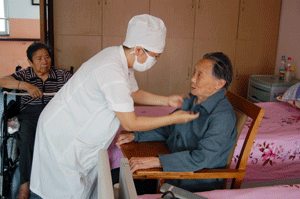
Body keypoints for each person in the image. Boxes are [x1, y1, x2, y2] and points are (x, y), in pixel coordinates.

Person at [29, 14, 199, 199]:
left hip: (76, 130)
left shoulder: (120, 59)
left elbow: (132, 93)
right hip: (64, 136)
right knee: (60, 191)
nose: (155, 62)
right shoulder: (111, 69)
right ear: (139, 50)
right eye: (155, 57)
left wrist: (167, 101)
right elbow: (131, 122)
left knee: (80, 189)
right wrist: (173, 118)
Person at [116, 52, 238, 193]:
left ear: (219, 84)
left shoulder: (223, 116)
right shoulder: (193, 99)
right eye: (194, 72)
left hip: (191, 181)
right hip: (169, 171)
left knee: (121, 186)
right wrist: (136, 135)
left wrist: (157, 161)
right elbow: (169, 128)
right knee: (117, 178)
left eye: (200, 75)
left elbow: (200, 158)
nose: (192, 79)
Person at [0, 42, 73, 199]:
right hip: (29, 115)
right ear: (30, 62)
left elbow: (80, 83)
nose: (44, 62)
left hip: (55, 115)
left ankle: (61, 183)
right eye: (39, 58)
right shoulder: (25, 75)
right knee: (25, 137)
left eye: (47, 57)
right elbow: (2, 81)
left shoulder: (61, 75)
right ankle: (24, 185)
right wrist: (25, 86)